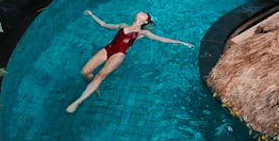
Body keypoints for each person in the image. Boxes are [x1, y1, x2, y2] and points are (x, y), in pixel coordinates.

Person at [66, 10, 194, 113]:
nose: (141, 11)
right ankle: (95, 87)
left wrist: (182, 43)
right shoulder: (123, 25)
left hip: (118, 54)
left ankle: (78, 101)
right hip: (108, 48)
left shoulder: (143, 33)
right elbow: (104, 25)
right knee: (84, 72)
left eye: (145, 13)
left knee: (100, 75)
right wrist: (92, 15)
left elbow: (163, 39)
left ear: (145, 20)